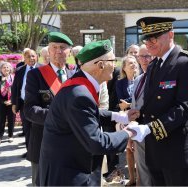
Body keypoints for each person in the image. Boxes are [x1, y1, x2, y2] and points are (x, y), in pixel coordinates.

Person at [38, 39, 141, 186]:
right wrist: (130, 132)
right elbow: (97, 142)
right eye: (113, 60)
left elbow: (90, 113)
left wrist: (120, 116)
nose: (115, 66)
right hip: (68, 176)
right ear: (100, 65)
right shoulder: (79, 95)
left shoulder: (79, 85)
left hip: (66, 169)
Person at [127, 16, 188, 186]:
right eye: (146, 39)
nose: (149, 43)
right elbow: (153, 104)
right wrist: (138, 116)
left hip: (177, 150)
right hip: (155, 149)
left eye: (154, 38)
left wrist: (149, 128)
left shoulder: (186, 63)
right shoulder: (153, 65)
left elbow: (184, 108)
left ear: (171, 35)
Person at [23, 31, 76, 186]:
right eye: (54, 47)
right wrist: (58, 118)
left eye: (62, 47)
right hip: (43, 143)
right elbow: (29, 110)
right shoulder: (36, 75)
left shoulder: (76, 75)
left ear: (69, 52)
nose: (58, 51)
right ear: (49, 51)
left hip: (71, 144)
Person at [131, 44, 154, 186]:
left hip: (152, 129)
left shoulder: (157, 79)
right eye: (141, 56)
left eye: (148, 56)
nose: (144, 60)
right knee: (141, 168)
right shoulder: (138, 79)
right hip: (137, 130)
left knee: (153, 170)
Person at [115, 55, 139, 186]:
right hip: (127, 118)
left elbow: (140, 99)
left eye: (135, 62)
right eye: (130, 63)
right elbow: (121, 100)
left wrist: (129, 103)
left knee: (139, 150)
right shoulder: (120, 83)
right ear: (124, 67)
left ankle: (141, 179)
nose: (133, 64)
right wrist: (131, 103)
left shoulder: (142, 80)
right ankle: (132, 179)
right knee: (129, 149)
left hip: (140, 118)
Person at [11, 49, 40, 157]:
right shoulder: (20, 70)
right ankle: (30, 152)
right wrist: (14, 103)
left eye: (33, 56)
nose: (31, 58)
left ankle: (40, 152)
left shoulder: (42, 69)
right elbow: (15, 88)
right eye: (28, 56)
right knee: (27, 128)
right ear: (24, 58)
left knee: (38, 129)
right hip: (24, 104)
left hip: (39, 105)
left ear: (36, 56)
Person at [0, 61, 15, 145]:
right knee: (0, 120)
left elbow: (16, 91)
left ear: (10, 69)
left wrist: (12, 100)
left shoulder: (13, 78)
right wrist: (3, 101)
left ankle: (10, 135)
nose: (6, 69)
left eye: (7, 67)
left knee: (11, 119)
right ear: (1, 69)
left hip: (11, 103)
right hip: (1, 103)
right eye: (4, 67)